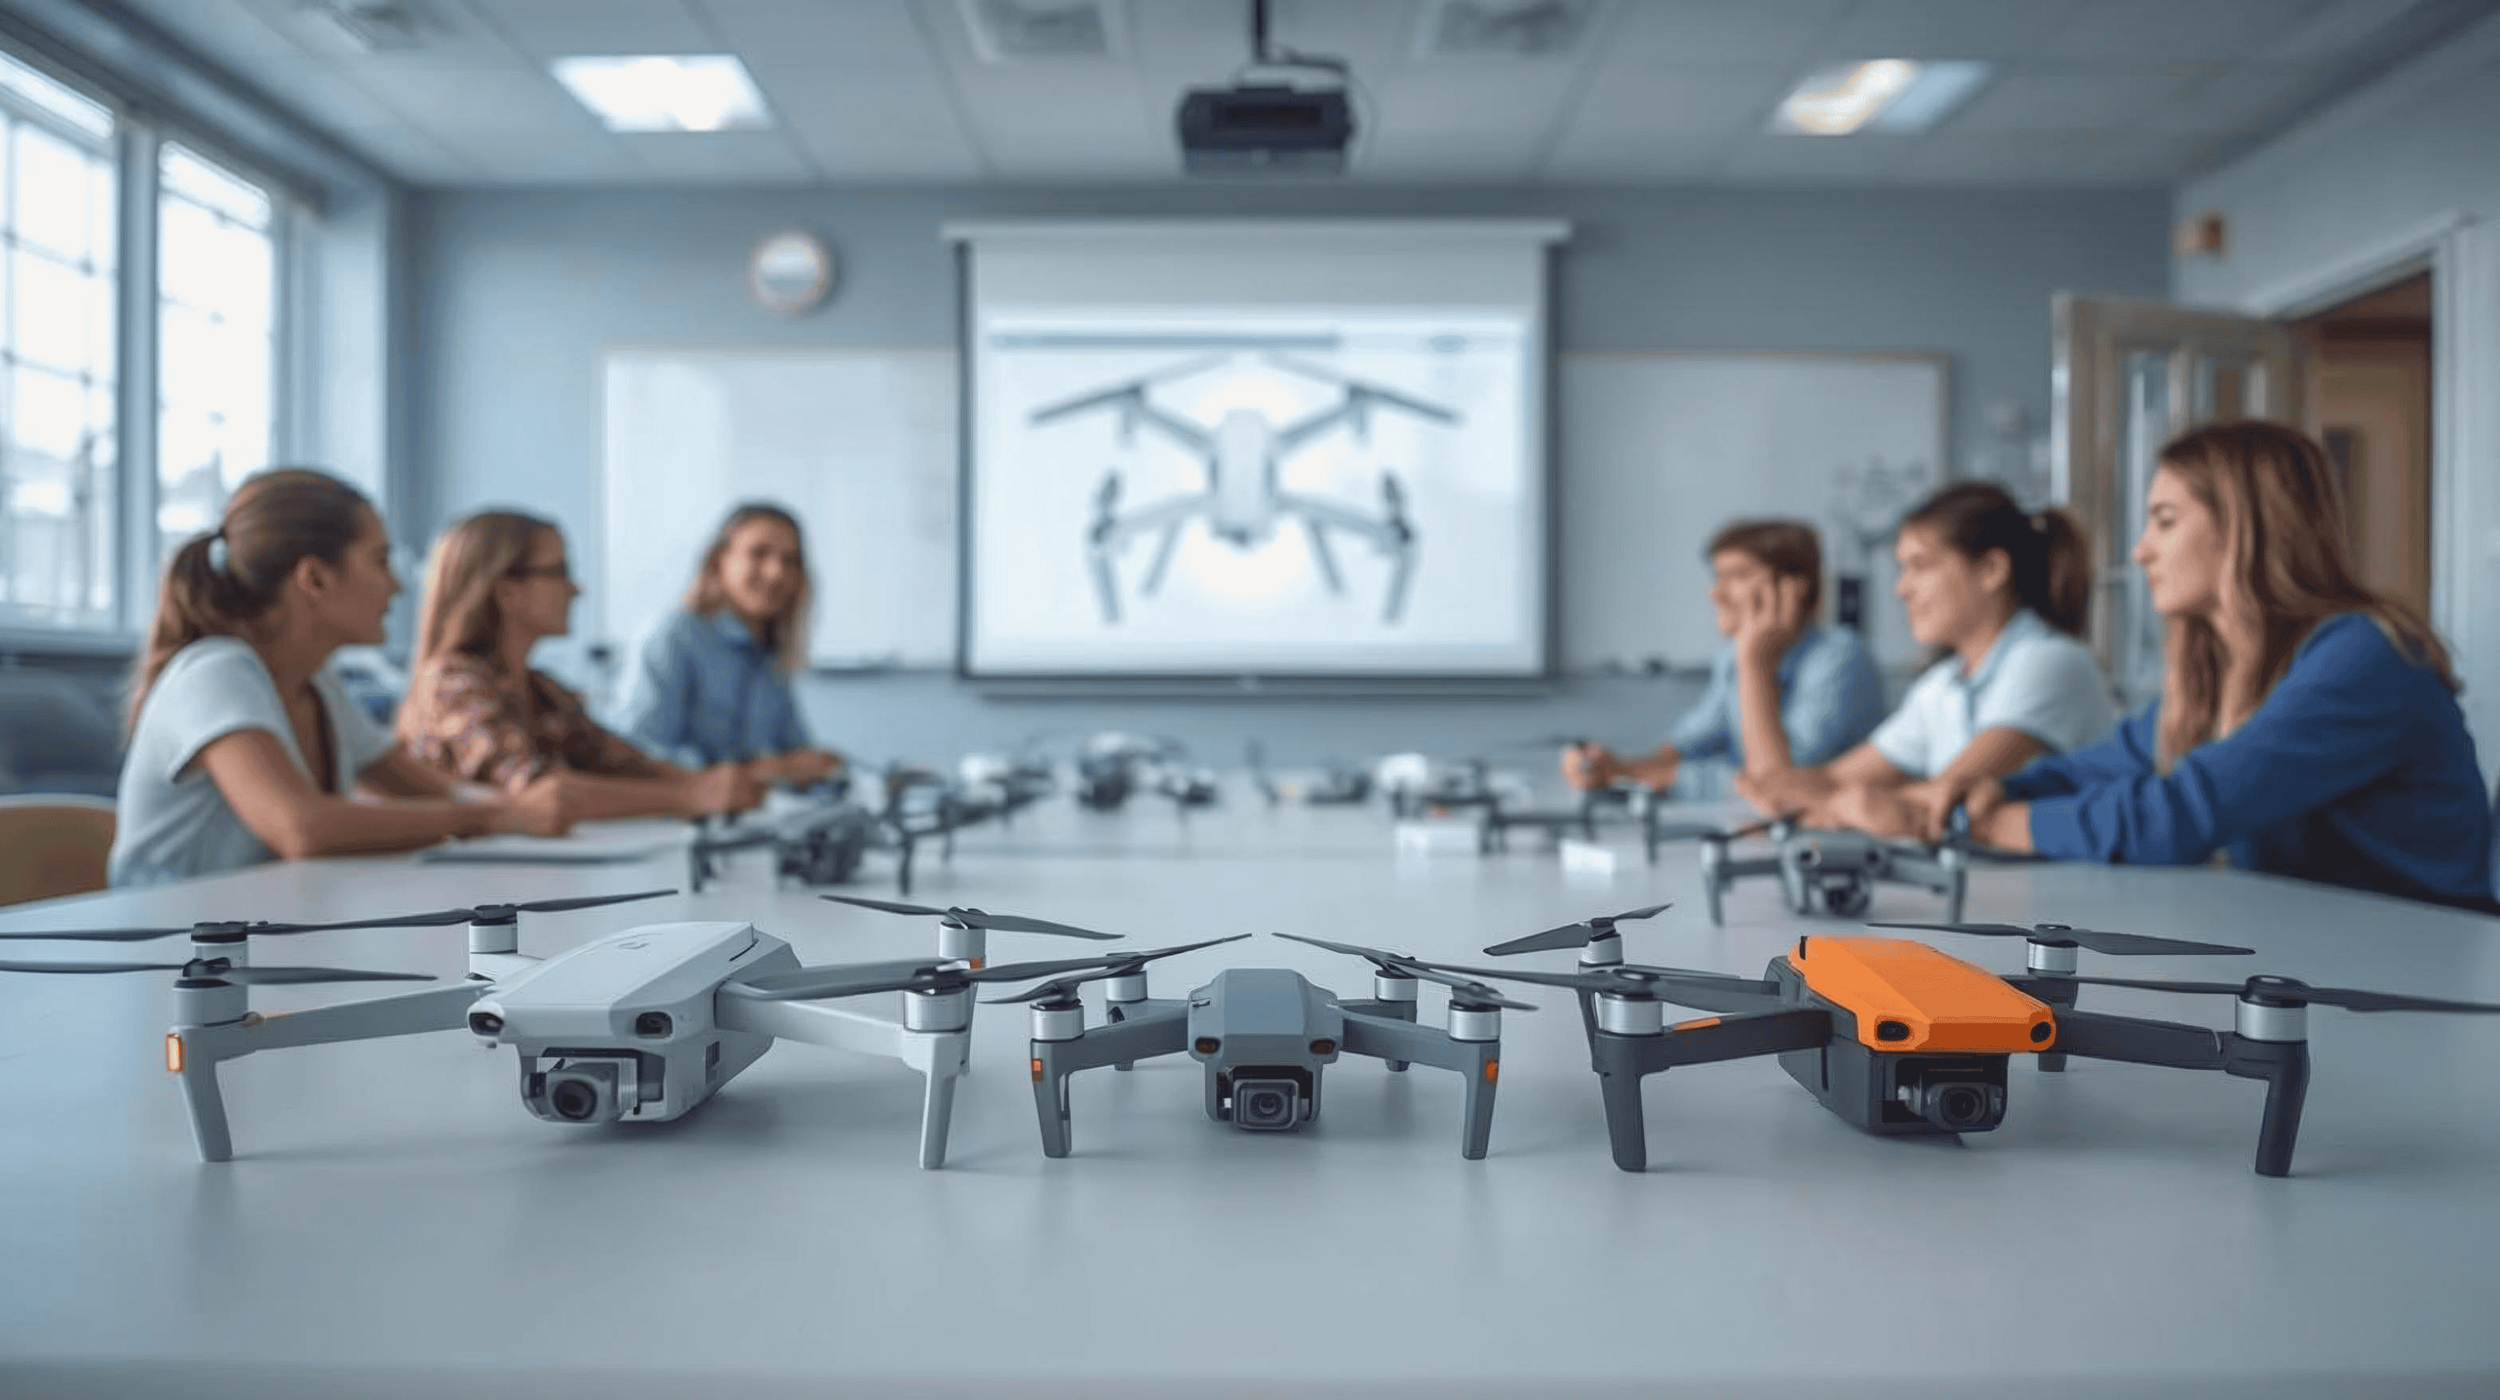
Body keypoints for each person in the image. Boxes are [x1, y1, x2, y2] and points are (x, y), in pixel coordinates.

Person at [1961, 421, 2494, 909]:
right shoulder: (2222, 671)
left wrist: (2003, 824)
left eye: (2165, 522)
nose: (2141, 551)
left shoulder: (2365, 655)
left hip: (2438, 962)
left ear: (2246, 529)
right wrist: (2002, 789)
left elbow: (2184, 813)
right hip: (2332, 948)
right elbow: (2103, 765)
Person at [110, 469, 569, 887]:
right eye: (380, 561)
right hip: (171, 955)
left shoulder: (319, 683)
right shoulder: (214, 673)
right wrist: (493, 817)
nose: (398, 586)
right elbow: (302, 828)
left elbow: (434, 788)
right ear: (314, 578)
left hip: (260, 933)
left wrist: (512, 806)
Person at [1735, 482, 2116, 838]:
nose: (1901, 588)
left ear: (1991, 570)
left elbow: (1938, 800)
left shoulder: (2051, 663)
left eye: (1920, 565)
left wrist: (1825, 802)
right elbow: (1826, 783)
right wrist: (1753, 663)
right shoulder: (1942, 685)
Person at [396, 510, 763, 821]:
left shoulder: (543, 691)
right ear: (509, 592)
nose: (576, 590)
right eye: (559, 572)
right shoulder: (451, 685)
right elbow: (540, 792)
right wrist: (687, 796)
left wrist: (711, 783)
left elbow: (625, 764)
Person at [1564, 521, 1885, 797]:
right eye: (1717, 577)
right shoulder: (1734, 656)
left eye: (1736, 576)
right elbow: (1689, 746)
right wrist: (1618, 767)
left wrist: (1754, 665)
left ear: (1791, 590)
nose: (1715, 594)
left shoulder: (1841, 658)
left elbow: (1783, 785)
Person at [613, 503, 843, 787]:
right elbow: (641, 757)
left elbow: (796, 753)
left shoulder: (770, 654)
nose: (776, 573)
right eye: (759, 554)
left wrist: (819, 767)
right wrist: (762, 771)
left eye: (791, 561)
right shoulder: (674, 638)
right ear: (718, 559)